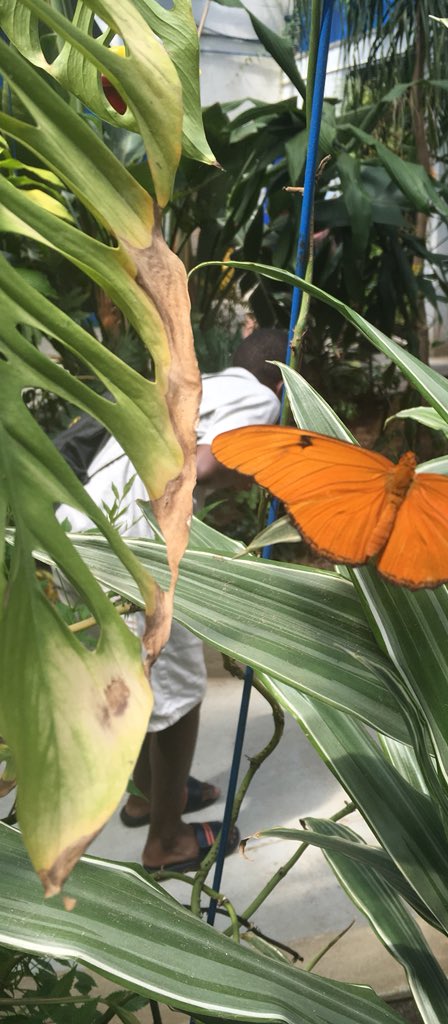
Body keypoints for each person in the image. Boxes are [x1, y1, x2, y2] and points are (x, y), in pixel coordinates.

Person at [58, 327, 287, 870]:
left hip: (77, 530)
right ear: (282, 382)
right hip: (133, 548)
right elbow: (202, 466)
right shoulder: (261, 399)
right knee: (180, 692)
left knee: (138, 677)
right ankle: (166, 840)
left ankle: (147, 798)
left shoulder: (204, 386)